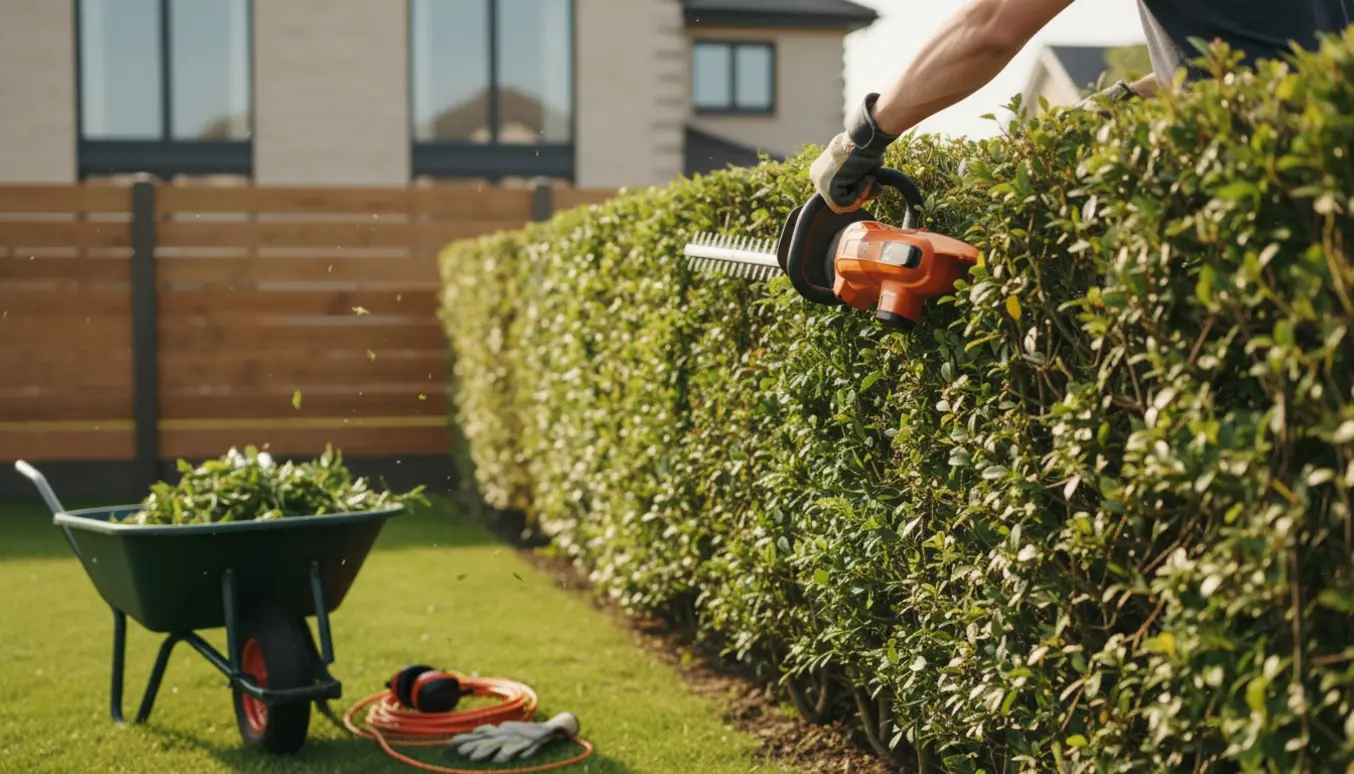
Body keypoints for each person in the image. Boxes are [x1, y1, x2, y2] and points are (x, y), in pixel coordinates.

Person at [811, 0, 1354, 214]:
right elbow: (1264, 60)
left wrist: (863, 137)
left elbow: (991, 26)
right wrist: (1115, 105)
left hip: (1261, 207)